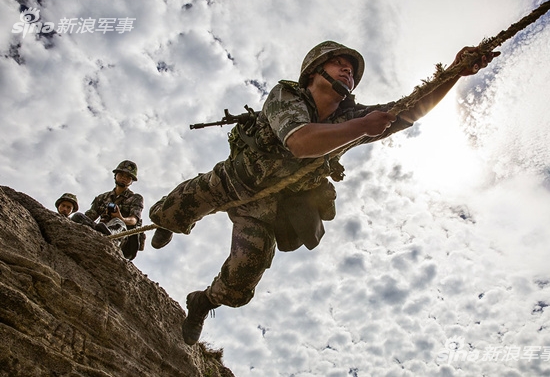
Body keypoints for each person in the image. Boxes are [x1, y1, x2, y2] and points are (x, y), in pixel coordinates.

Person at [148, 41, 499, 345]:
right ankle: (168, 222)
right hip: (234, 181)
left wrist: (453, 71)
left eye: (351, 71)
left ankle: (203, 303)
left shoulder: (349, 116)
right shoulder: (286, 95)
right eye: (339, 64)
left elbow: (409, 110)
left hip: (267, 209)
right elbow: (299, 141)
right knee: (177, 207)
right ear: (314, 71)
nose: (347, 72)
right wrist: (362, 127)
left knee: (243, 279)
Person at [71, 160, 145, 260]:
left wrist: (121, 218)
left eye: (128, 177)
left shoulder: (136, 198)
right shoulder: (102, 198)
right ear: (115, 175)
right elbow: (90, 216)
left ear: (131, 181)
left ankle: (109, 236)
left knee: (118, 222)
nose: (124, 178)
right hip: (101, 229)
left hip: (126, 242)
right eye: (121, 174)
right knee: (78, 216)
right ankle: (102, 233)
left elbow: (134, 220)